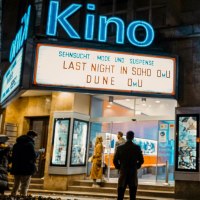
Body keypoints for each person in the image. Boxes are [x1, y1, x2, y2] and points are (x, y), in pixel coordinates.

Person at [11, 130, 44, 196]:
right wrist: (39, 152)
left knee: (16, 185)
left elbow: (13, 156)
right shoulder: (30, 144)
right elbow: (33, 156)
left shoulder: (16, 144)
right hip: (26, 168)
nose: (35, 139)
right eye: (35, 137)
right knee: (24, 186)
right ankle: (23, 197)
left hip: (16, 167)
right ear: (31, 136)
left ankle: (12, 196)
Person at [113, 131, 144, 200]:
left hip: (123, 173)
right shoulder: (137, 148)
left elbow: (115, 160)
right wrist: (136, 167)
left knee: (120, 195)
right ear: (133, 137)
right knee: (133, 196)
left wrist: (119, 167)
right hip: (133, 174)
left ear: (126, 137)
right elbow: (141, 161)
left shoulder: (120, 148)